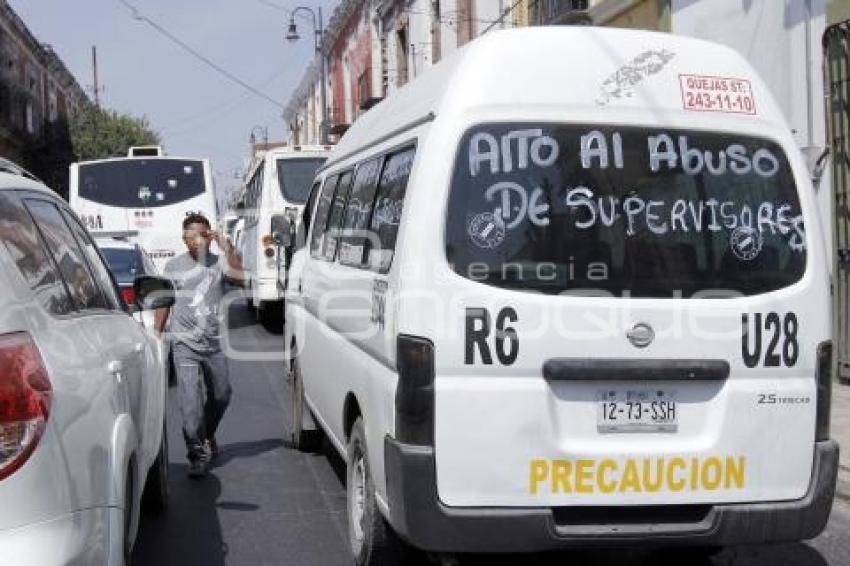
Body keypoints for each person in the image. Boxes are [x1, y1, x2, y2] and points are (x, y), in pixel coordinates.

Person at [155, 213, 243, 477]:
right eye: (192, 236)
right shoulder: (173, 267)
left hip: (214, 344)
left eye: (203, 235)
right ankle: (196, 453)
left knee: (222, 395)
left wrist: (227, 247)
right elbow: (164, 301)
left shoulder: (220, 264)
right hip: (185, 345)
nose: (198, 241)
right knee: (190, 405)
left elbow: (241, 278)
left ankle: (207, 434)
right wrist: (157, 335)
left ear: (209, 236)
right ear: (185, 239)